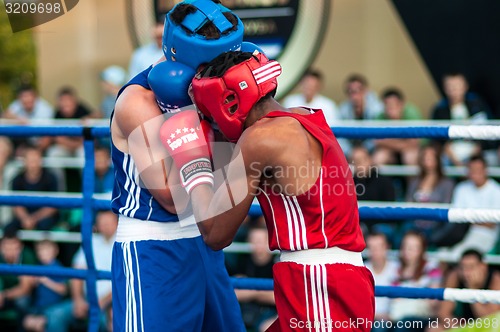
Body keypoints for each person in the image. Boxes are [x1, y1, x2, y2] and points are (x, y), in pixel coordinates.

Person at [163, 51, 375, 331]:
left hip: (321, 286)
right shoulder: (303, 116)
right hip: (327, 279)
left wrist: (193, 163)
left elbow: (215, 233)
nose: (211, 119)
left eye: (210, 111)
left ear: (228, 102)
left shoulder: (261, 138)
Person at [110, 1, 246, 331]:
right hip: (154, 250)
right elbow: (173, 198)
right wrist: (192, 120)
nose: (222, 72)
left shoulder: (219, 89)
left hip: (205, 240)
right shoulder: (138, 102)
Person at [44, 211, 117, 332]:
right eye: (102, 222)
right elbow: (78, 270)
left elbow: (124, 281)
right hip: (86, 301)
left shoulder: (124, 244)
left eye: (108, 222)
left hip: (111, 303)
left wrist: (102, 303)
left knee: (112, 322)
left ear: (117, 223)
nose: (105, 225)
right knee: (55, 316)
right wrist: (78, 300)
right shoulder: (92, 241)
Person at [444, 155, 500, 260]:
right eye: (472, 169)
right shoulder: (461, 188)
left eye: (478, 170)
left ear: (485, 170)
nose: (475, 173)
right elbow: (456, 218)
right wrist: (479, 219)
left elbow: (492, 224)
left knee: (455, 256)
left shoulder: (497, 190)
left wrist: (468, 219)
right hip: (460, 234)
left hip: (484, 235)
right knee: (442, 255)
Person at [429, 250, 500, 332]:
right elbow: (443, 313)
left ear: (483, 266)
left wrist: (472, 290)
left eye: (471, 267)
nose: (466, 273)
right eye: (463, 267)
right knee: (434, 328)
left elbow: (490, 319)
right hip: (463, 324)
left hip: (488, 325)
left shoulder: (496, 280)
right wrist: (461, 329)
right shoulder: (455, 276)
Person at [431, 72, 491, 166]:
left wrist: (477, 151)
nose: (453, 89)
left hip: (476, 149)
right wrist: (453, 158)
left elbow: (486, 128)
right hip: (451, 152)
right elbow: (438, 138)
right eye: (450, 86)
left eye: (457, 85)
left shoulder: (476, 104)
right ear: (444, 88)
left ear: (465, 86)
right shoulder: (440, 109)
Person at [389, 231, 441, 332]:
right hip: (398, 317)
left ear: (422, 249)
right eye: (406, 246)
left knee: (404, 323)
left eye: (414, 247)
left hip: (424, 318)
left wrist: (407, 298)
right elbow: (393, 300)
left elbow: (433, 301)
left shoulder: (432, 268)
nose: (409, 251)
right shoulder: (395, 270)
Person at [405, 145, 455, 244]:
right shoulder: (415, 181)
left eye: (431, 156)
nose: (428, 159)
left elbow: (446, 206)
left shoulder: (447, 183)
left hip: (435, 226)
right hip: (415, 224)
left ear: (437, 159)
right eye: (425, 156)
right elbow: (408, 203)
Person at [5, 145, 59, 233]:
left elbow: (53, 205)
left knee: (45, 227)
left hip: (44, 217)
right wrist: (25, 218)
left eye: (36, 159)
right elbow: (15, 204)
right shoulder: (17, 179)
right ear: (24, 161)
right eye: (30, 160)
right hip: (24, 216)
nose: (33, 163)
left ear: (41, 160)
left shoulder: (50, 178)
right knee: (9, 229)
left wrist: (34, 218)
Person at [22, 239, 67, 332]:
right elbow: (31, 287)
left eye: (46, 250)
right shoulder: (38, 266)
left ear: (55, 251)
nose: (42, 253)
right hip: (38, 307)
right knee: (27, 322)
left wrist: (46, 280)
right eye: (40, 250)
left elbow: (63, 290)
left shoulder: (58, 267)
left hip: (53, 307)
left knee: (39, 325)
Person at [373, 87, 422, 166]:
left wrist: (389, 141)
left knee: (410, 158)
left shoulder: (411, 113)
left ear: (402, 104)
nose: (390, 108)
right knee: (378, 158)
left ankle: (412, 179)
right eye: (387, 105)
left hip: (410, 150)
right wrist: (402, 144)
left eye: (394, 104)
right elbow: (377, 141)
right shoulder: (380, 116)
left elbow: (414, 142)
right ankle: (382, 179)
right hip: (390, 150)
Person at [0, 230, 36, 329]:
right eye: (7, 247)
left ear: (20, 247)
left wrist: (4, 295)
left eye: (14, 247)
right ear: (1, 247)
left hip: (18, 296)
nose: (10, 251)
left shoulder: (27, 256)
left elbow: (25, 289)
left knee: (22, 301)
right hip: (3, 295)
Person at [365, 232, 399, 332]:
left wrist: (391, 315)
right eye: (372, 247)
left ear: (387, 247)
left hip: (391, 317)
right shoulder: (362, 269)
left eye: (379, 247)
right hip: (366, 318)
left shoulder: (397, 269)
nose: (375, 251)